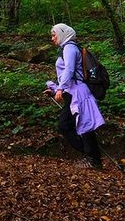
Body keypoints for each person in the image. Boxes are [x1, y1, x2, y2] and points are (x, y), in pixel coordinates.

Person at [43, 23, 105, 170]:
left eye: (54, 35)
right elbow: (67, 73)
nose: (52, 38)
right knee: (82, 124)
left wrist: (60, 89)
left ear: (63, 34)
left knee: (69, 125)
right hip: (73, 92)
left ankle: (92, 157)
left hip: (78, 93)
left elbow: (69, 70)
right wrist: (55, 90)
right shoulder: (67, 48)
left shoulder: (69, 48)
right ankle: (93, 157)